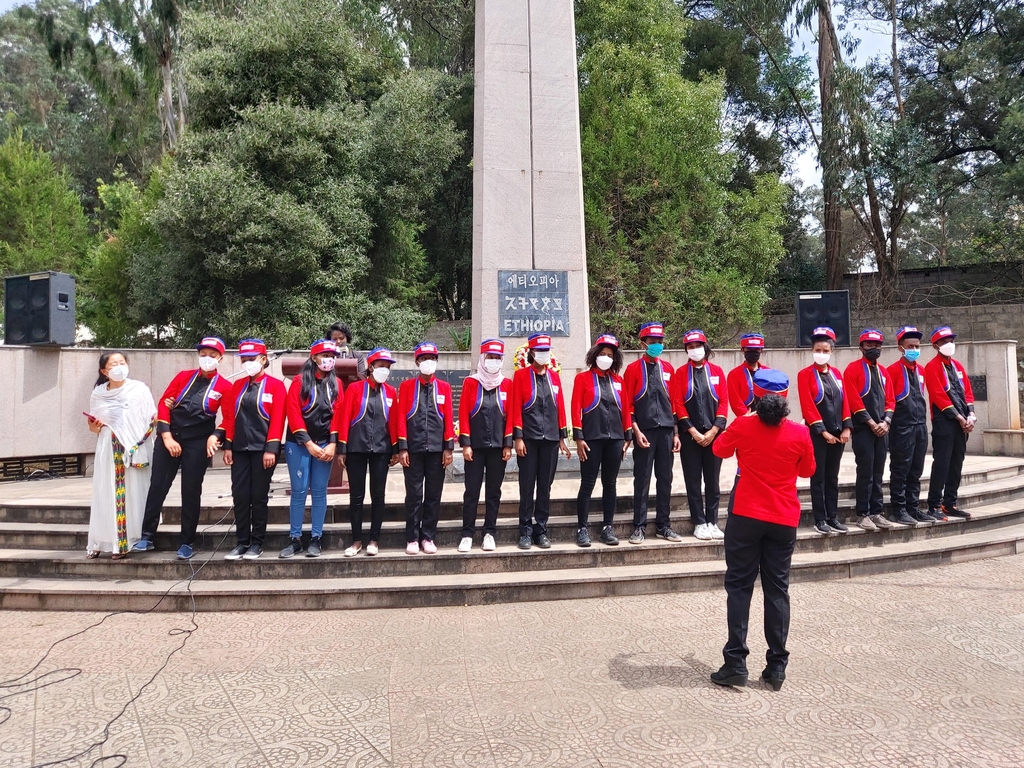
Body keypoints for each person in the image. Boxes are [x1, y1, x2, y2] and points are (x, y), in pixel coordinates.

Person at [710, 369, 815, 692]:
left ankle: (735, 663)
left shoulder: (743, 425)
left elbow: (719, 451)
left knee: (740, 587)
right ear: (785, 397)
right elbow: (808, 470)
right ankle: (776, 666)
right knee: (777, 590)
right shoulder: (800, 433)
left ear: (755, 395)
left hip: (746, 515)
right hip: (783, 518)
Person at [134, 337, 232, 560]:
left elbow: (228, 419)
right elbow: (164, 403)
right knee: (158, 485)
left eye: (212, 355)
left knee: (191, 490)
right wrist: (166, 436)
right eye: (203, 354)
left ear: (220, 358)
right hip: (171, 437)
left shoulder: (225, 386)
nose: (207, 358)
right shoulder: (183, 376)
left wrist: (215, 437)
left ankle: (187, 541)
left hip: (198, 441)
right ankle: (146, 535)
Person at [218, 339, 287, 560]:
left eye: (252, 359)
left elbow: (278, 420)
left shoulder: (276, 386)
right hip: (239, 449)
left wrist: (271, 448)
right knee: (240, 495)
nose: (247, 363)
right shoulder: (237, 386)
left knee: (258, 496)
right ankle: (241, 542)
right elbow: (229, 418)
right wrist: (227, 446)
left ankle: (257, 543)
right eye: (244, 360)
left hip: (263, 450)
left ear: (263, 360)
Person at [86, 352, 157, 559]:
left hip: (134, 448)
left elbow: (150, 418)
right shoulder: (98, 393)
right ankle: (104, 540)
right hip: (108, 447)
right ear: (104, 371)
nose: (118, 366)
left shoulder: (139, 389)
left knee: (133, 492)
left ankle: (132, 539)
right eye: (113, 364)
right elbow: (94, 428)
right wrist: (94, 424)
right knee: (107, 491)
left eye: (121, 362)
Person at [281, 339, 346, 559]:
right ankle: (295, 538)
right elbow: (293, 412)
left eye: (332, 356)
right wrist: (307, 443)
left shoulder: (337, 385)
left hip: (325, 445)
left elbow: (339, 415)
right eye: (325, 355)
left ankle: (316, 538)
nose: (329, 360)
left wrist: (332, 444)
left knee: (319, 492)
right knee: (299, 491)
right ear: (314, 358)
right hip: (299, 444)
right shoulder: (299, 381)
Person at [509, 333, 571, 550]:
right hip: (529, 439)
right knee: (527, 486)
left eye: (547, 351)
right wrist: (518, 437)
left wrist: (562, 437)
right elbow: (516, 406)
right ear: (532, 353)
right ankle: (525, 531)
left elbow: (560, 407)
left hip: (550, 440)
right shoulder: (521, 376)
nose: (543, 355)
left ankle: (541, 529)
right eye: (540, 351)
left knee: (545, 486)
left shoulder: (554, 377)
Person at [335, 348, 399, 556]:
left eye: (388, 367)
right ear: (371, 367)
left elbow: (395, 422)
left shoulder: (390, 392)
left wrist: (396, 450)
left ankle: (374, 539)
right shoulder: (355, 389)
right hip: (356, 448)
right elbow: (344, 418)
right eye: (381, 366)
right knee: (356, 496)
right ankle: (356, 540)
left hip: (381, 449)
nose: (385, 370)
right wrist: (342, 448)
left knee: (378, 495)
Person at [622, 322, 681, 545]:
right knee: (643, 479)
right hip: (644, 431)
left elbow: (674, 403)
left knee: (665, 479)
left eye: (659, 341)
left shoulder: (668, 369)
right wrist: (636, 431)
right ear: (643, 343)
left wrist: (676, 433)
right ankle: (639, 526)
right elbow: (628, 405)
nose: (656, 345)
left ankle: (663, 525)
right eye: (652, 342)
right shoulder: (633, 369)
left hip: (666, 431)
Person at [394, 342, 456, 555]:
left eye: (432, 358)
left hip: (437, 451)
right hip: (413, 449)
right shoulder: (407, 386)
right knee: (413, 494)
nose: (428, 362)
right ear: (417, 362)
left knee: (433, 494)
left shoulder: (445, 387)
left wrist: (449, 448)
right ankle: (412, 537)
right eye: (423, 359)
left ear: (436, 362)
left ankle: (428, 536)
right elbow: (401, 417)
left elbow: (448, 417)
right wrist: (402, 447)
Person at [571, 334, 632, 547]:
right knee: (587, 483)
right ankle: (582, 529)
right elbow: (575, 409)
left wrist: (628, 437)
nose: (605, 358)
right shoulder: (583, 379)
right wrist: (578, 438)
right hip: (591, 439)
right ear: (594, 355)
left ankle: (608, 527)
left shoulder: (619, 381)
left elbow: (625, 411)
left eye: (609, 355)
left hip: (615, 439)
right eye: (602, 354)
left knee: (610, 484)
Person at [671, 329, 728, 541]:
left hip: (715, 435)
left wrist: (714, 430)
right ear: (686, 350)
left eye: (698, 346)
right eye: (690, 347)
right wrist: (693, 432)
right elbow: (678, 404)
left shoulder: (717, 371)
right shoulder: (679, 373)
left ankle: (712, 521)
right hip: (691, 436)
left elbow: (723, 402)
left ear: (705, 347)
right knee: (693, 481)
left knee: (713, 482)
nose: (695, 350)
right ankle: (699, 522)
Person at [458, 339, 513, 553]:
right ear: (482, 358)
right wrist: (466, 444)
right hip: (475, 447)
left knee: (493, 492)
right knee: (471, 491)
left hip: (498, 448)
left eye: (497, 358)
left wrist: (508, 444)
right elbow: (463, 414)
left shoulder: (506, 383)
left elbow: (510, 415)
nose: (493, 362)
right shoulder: (471, 383)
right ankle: (467, 534)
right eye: (489, 357)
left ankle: (489, 532)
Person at [797, 326, 852, 536]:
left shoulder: (837, 373)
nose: (821, 353)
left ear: (831, 351)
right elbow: (808, 405)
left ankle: (833, 516)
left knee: (833, 477)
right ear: (812, 351)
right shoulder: (805, 374)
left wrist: (847, 427)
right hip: (818, 435)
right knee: (818, 477)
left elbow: (845, 402)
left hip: (839, 435)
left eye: (825, 350)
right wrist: (822, 432)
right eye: (818, 350)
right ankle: (820, 519)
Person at [844, 329, 896, 532]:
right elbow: (853, 399)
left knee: (878, 470)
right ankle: (863, 513)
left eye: (877, 346)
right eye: (869, 345)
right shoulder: (853, 369)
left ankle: (876, 511)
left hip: (882, 428)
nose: (873, 349)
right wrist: (871, 423)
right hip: (863, 429)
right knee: (865, 471)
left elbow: (891, 399)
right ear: (861, 347)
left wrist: (886, 422)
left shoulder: (883, 372)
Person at [924, 325, 975, 520]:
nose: (949, 344)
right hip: (944, 420)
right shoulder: (932, 366)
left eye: (951, 341)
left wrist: (970, 415)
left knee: (957, 462)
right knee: (942, 462)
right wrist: (959, 417)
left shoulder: (958, 366)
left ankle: (950, 502)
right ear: (935, 345)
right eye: (944, 342)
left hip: (962, 422)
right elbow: (938, 395)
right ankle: (934, 504)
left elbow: (968, 392)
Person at [887, 326, 934, 526]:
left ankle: (913, 507)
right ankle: (898, 509)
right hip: (902, 426)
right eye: (910, 346)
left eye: (916, 345)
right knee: (901, 468)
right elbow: (889, 399)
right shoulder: (893, 370)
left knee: (916, 469)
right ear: (900, 348)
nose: (914, 349)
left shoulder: (921, 370)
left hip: (920, 426)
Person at [727, 333, 768, 418]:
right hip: (746, 418)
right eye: (749, 349)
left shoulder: (768, 372)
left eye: (756, 349)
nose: (753, 352)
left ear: (761, 350)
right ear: (742, 350)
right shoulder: (734, 374)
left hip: (767, 418)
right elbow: (736, 402)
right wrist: (748, 417)